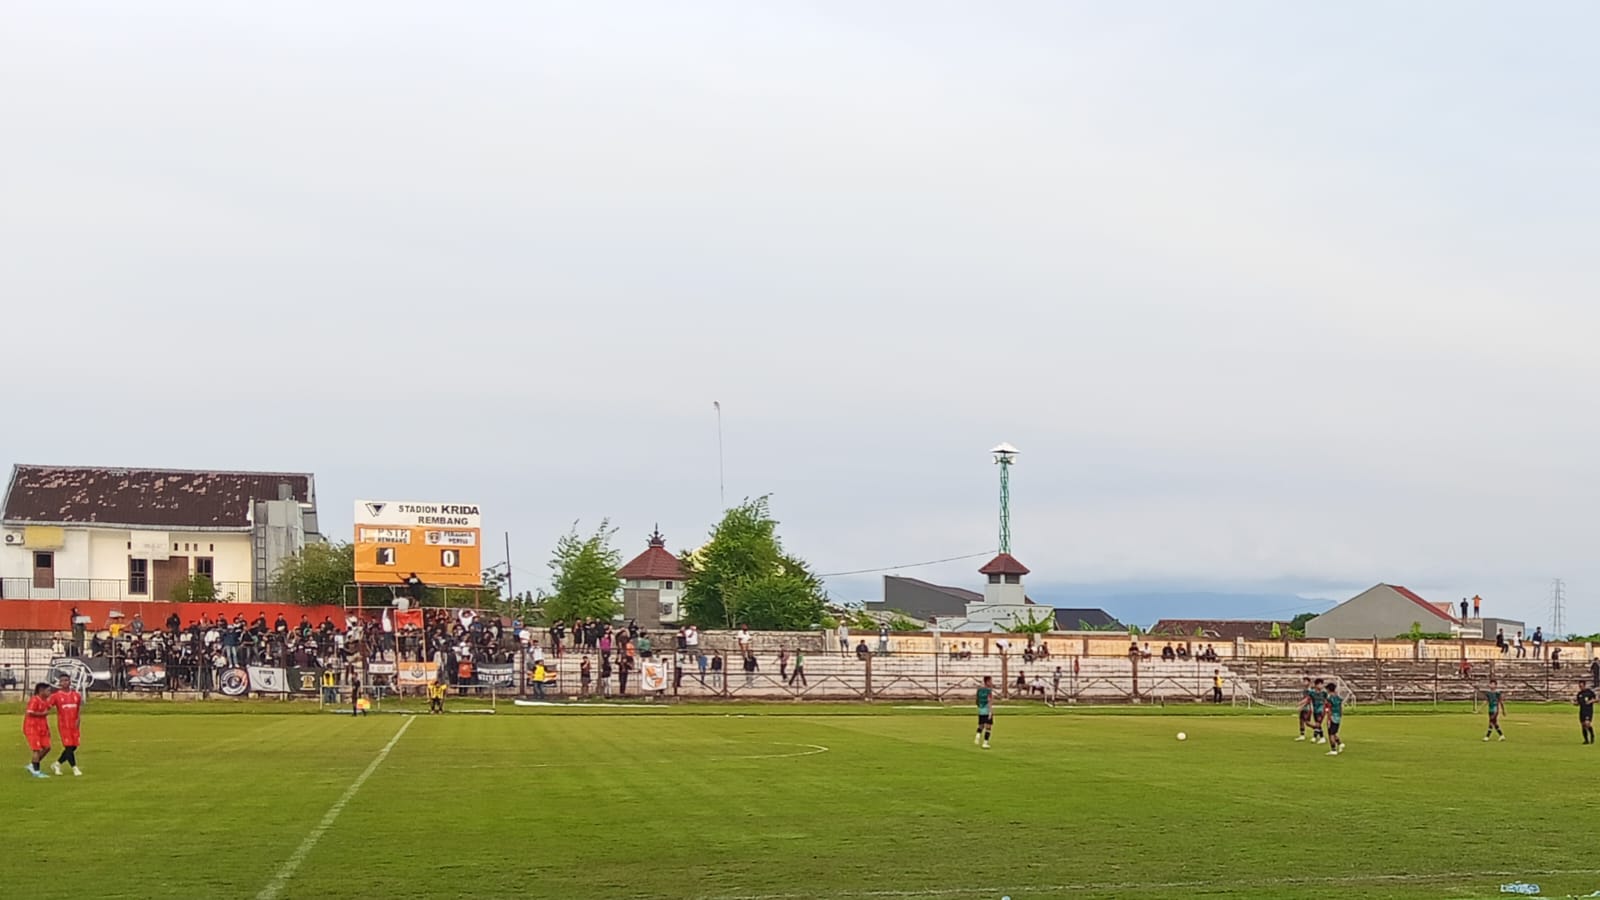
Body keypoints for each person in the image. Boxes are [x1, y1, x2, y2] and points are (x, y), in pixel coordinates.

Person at [23, 683, 53, 778]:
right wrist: (42, 714)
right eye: (48, 690)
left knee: (47, 747)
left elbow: (47, 711)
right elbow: (30, 713)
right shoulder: (34, 700)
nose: (50, 693)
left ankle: (32, 765)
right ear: (41, 691)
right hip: (32, 728)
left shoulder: (45, 701)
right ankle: (36, 772)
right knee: (36, 749)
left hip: (42, 728)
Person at [1323, 682, 1344, 756]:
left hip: (1332, 716)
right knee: (1334, 732)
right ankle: (1340, 743)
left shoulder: (1329, 699)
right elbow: (1341, 708)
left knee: (1331, 734)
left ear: (1328, 689)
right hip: (1338, 716)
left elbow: (1328, 709)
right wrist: (1340, 715)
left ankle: (1333, 750)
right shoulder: (1338, 697)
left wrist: (1328, 719)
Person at [974, 675, 995, 750]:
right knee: (988, 727)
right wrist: (990, 712)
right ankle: (985, 743)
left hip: (981, 710)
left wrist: (980, 706)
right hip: (987, 710)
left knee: (981, 725)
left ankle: (978, 735)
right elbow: (989, 701)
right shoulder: (989, 691)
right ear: (987, 681)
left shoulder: (979, 690)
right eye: (991, 681)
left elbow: (976, 700)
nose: (992, 682)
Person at [1577, 680, 1597, 745]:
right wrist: (1575, 703)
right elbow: (1578, 702)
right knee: (1583, 725)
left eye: (1581, 686)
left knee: (1587, 724)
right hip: (1582, 711)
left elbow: (1596, 699)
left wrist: (1590, 701)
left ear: (1584, 685)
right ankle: (1586, 740)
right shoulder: (1579, 694)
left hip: (1588, 711)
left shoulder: (1589, 692)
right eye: (1579, 686)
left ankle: (1592, 735)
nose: (1580, 687)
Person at [1295, 676, 1315, 741]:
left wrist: (1301, 705)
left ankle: (1318, 730)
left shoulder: (1309, 691)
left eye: (1305, 681)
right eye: (1303, 681)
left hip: (1308, 708)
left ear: (1309, 682)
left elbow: (1308, 700)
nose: (1304, 682)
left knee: (1307, 722)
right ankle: (1302, 735)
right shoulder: (1305, 690)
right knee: (1301, 721)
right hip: (1304, 708)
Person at [1309, 678, 1327, 743]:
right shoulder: (1312, 693)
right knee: (1317, 723)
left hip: (1322, 710)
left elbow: (1326, 701)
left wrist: (1326, 709)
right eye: (1319, 684)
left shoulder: (1324, 693)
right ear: (1316, 685)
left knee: (1318, 723)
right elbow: (1308, 700)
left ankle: (1319, 737)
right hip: (1315, 709)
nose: (1321, 686)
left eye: (1322, 684)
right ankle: (1317, 737)